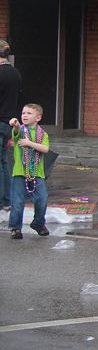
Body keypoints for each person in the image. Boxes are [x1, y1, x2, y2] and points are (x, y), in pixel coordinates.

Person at [8, 104, 50, 239]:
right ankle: (15, 227)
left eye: (29, 113)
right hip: (20, 172)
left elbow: (45, 149)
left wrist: (29, 143)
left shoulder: (43, 134)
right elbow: (15, 130)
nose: (25, 115)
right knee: (18, 202)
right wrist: (14, 123)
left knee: (42, 199)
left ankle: (38, 223)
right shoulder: (20, 131)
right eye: (23, 113)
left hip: (37, 173)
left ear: (38, 118)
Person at [0, 40, 21, 210]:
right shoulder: (15, 73)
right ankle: (7, 200)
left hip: (0, 121)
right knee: (4, 162)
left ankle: (1, 202)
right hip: (9, 122)